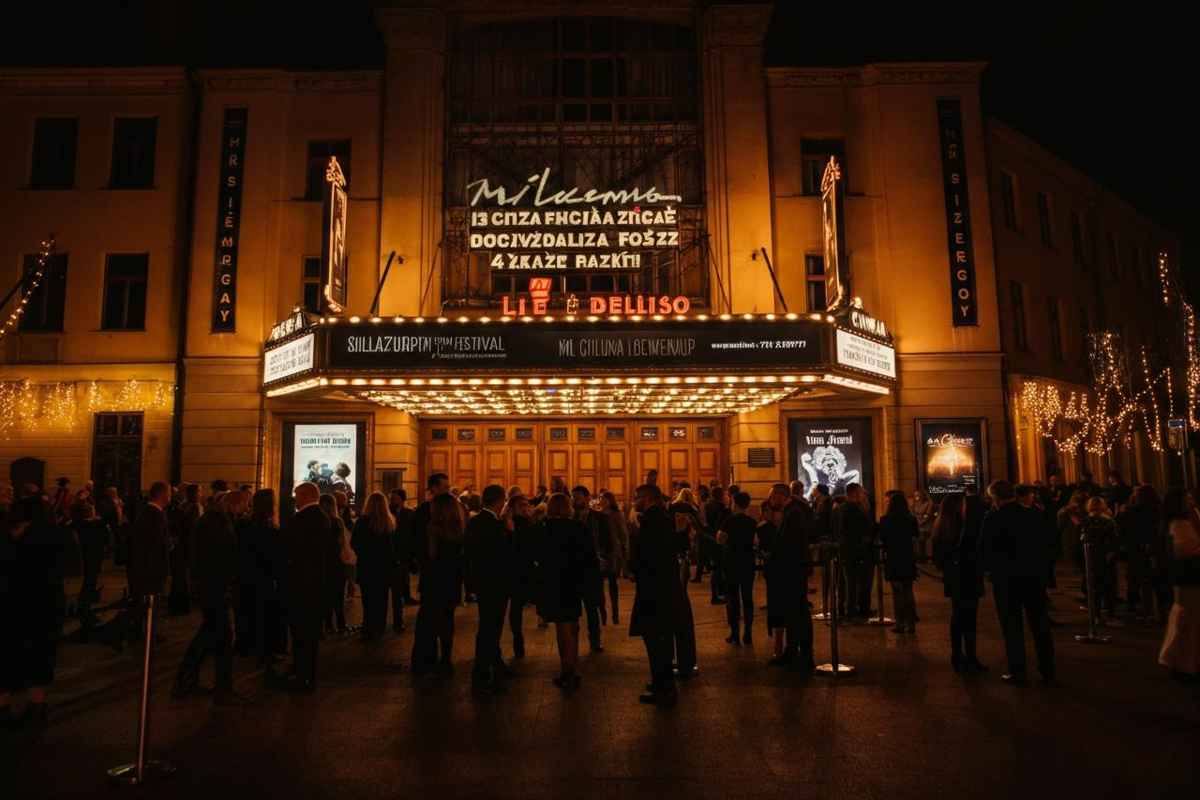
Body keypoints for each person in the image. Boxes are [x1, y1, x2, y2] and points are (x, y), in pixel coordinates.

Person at [1, 495, 73, 726]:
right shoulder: (55, 535)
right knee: (40, 657)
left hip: (13, 605)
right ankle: (37, 706)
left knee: (8, 657)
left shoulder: (12, 537)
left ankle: (4, 707)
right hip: (46, 606)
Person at [979, 480, 1056, 686]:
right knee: (1040, 625)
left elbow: (985, 549)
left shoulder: (994, 518)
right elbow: (1048, 544)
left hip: (1006, 580)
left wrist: (990, 570)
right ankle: (1048, 671)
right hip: (1033, 577)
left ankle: (1018, 671)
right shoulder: (1033, 514)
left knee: (1011, 627)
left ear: (995, 497)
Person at [175, 490, 248, 705]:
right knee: (220, 636)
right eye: (245, 504)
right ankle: (217, 686)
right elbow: (222, 555)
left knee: (211, 634)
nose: (246, 509)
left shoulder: (214, 520)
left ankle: (191, 679)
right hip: (213, 586)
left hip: (211, 586)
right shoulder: (216, 523)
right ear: (234, 504)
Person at [628, 484, 678, 706]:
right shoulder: (663, 517)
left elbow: (646, 553)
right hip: (663, 586)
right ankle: (662, 683)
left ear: (647, 498)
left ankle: (663, 686)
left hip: (653, 587)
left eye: (637, 497)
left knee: (655, 638)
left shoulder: (650, 519)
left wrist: (634, 568)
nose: (634, 500)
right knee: (662, 638)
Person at [280, 482, 330, 693]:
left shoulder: (301, 520)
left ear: (307, 495)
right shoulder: (322, 517)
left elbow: (291, 550)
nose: (295, 499)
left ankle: (302, 676)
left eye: (297, 495)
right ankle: (305, 673)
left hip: (301, 584)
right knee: (309, 634)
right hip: (315, 583)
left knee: (302, 633)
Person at [464, 485, 513, 695]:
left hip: (483, 581)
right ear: (499, 501)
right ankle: (482, 670)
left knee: (488, 624)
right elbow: (503, 553)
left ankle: (493, 662)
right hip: (495, 582)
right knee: (491, 627)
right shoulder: (495, 524)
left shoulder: (475, 521)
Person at [411, 493, 466, 675]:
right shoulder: (460, 529)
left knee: (428, 620)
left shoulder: (433, 529)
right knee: (447, 619)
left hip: (434, 579)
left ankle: (427, 658)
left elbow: (431, 555)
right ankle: (446, 659)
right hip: (452, 579)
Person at [933, 493, 986, 672]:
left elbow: (937, 557)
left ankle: (957, 655)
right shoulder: (965, 528)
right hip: (968, 577)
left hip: (953, 577)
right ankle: (970, 656)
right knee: (969, 618)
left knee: (957, 616)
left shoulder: (940, 526)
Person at [1157, 489, 1200, 680]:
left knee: (1186, 616)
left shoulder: (1184, 522)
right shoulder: (1179, 525)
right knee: (1187, 617)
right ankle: (1181, 660)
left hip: (1186, 575)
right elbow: (1182, 550)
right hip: (1187, 575)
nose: (1191, 501)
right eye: (1187, 499)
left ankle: (1180, 659)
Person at [244, 489, 285, 679]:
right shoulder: (268, 528)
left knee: (257, 613)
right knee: (266, 615)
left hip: (252, 577)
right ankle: (265, 652)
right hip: (266, 578)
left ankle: (257, 648)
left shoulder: (247, 525)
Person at [352, 492, 396, 643]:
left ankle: (368, 627)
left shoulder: (362, 522)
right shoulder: (389, 522)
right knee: (382, 598)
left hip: (367, 566)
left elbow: (354, 543)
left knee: (368, 599)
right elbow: (392, 548)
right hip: (383, 567)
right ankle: (379, 627)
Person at [718, 491, 757, 645]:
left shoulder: (729, 521)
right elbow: (756, 542)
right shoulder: (752, 522)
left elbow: (720, 539)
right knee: (747, 598)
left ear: (735, 503)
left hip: (731, 562)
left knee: (732, 598)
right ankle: (748, 632)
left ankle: (734, 633)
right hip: (748, 562)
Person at [571, 485, 606, 652]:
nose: (574, 500)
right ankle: (573, 641)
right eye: (573, 497)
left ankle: (595, 639)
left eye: (577, 497)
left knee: (592, 607)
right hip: (573, 569)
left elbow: (607, 541)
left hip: (592, 569)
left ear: (587, 498)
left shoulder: (599, 518)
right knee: (572, 610)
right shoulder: (569, 519)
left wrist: (604, 557)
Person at [833, 483, 875, 619]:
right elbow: (861, 529)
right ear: (855, 493)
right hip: (855, 551)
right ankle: (851, 610)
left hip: (845, 550)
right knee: (853, 582)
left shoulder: (840, 509)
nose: (863, 495)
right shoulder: (854, 509)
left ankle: (846, 608)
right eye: (861, 492)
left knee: (847, 582)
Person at [504, 492, 539, 658]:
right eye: (521, 506)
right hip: (513, 570)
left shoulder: (530, 523)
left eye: (526, 505)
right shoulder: (507, 524)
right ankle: (518, 637)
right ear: (512, 509)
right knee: (516, 606)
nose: (525, 508)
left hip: (528, 568)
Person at [879, 492, 919, 634]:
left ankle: (900, 623)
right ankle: (911, 623)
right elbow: (916, 537)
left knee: (897, 592)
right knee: (908, 591)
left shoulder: (885, 520)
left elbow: (882, 539)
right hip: (907, 557)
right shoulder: (911, 519)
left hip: (893, 557)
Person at [1079, 496, 1120, 624]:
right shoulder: (1108, 521)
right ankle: (1110, 614)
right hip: (1106, 555)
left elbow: (1081, 538)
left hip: (1091, 555)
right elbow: (1115, 539)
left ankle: (1096, 614)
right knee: (1109, 585)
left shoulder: (1086, 521)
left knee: (1094, 586)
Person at [167, 483, 200, 616]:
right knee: (182, 577)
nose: (200, 495)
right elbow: (191, 527)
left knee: (180, 577)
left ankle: (177, 603)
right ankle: (181, 604)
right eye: (199, 492)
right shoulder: (191, 507)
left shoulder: (184, 506)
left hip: (182, 546)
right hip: (185, 547)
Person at [319, 494, 349, 635]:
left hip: (325, 563)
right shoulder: (337, 522)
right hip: (337, 563)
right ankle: (340, 625)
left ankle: (329, 625)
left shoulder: (320, 522)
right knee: (338, 596)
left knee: (326, 596)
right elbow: (343, 544)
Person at [595, 491, 625, 626]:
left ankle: (615, 613)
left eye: (603, 498)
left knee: (613, 584)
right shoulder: (596, 515)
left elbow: (623, 533)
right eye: (600, 498)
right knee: (599, 586)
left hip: (613, 552)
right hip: (601, 552)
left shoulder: (616, 514)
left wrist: (624, 552)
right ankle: (603, 614)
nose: (601, 500)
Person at [388, 488, 414, 630]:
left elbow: (411, 534)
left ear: (402, 499)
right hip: (390, 557)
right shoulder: (387, 513)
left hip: (402, 556)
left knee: (398, 594)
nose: (392, 501)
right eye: (391, 498)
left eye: (395, 498)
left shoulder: (409, 514)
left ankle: (398, 621)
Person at [912, 489, 935, 562]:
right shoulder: (915, 504)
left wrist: (920, 520)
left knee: (925, 541)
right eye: (915, 495)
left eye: (918, 495)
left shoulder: (929, 503)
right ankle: (921, 557)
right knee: (919, 542)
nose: (916, 497)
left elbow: (927, 515)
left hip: (926, 526)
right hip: (918, 525)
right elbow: (913, 514)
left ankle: (926, 557)